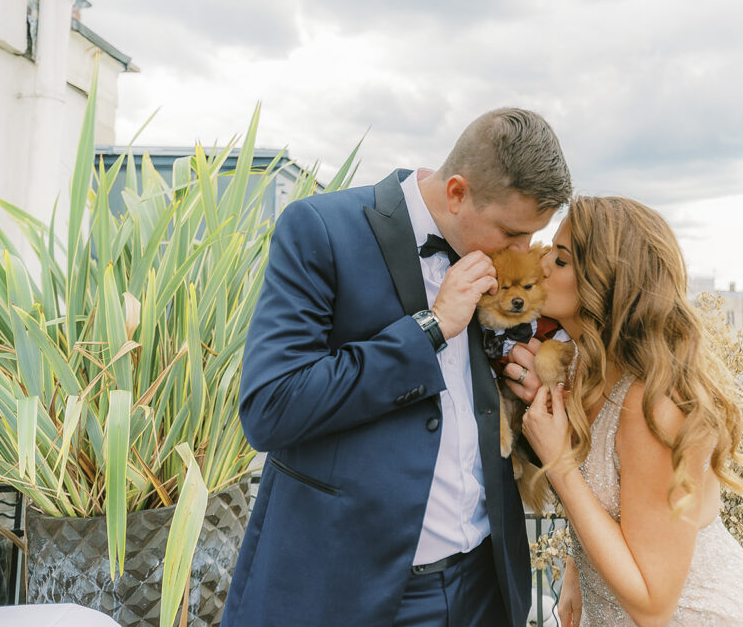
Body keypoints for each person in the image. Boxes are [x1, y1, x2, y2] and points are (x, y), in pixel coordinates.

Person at [221, 108, 572, 627]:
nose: (522, 253)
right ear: (456, 194)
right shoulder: (321, 229)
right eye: (511, 233)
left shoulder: (497, 265)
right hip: (355, 592)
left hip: (486, 587)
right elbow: (271, 407)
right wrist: (429, 329)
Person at [521, 196, 743, 627]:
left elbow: (654, 607)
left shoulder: (655, 406)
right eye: (550, 250)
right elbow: (616, 507)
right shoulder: (586, 366)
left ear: (607, 283)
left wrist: (559, 463)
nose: (543, 264)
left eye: (562, 260)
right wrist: (576, 569)